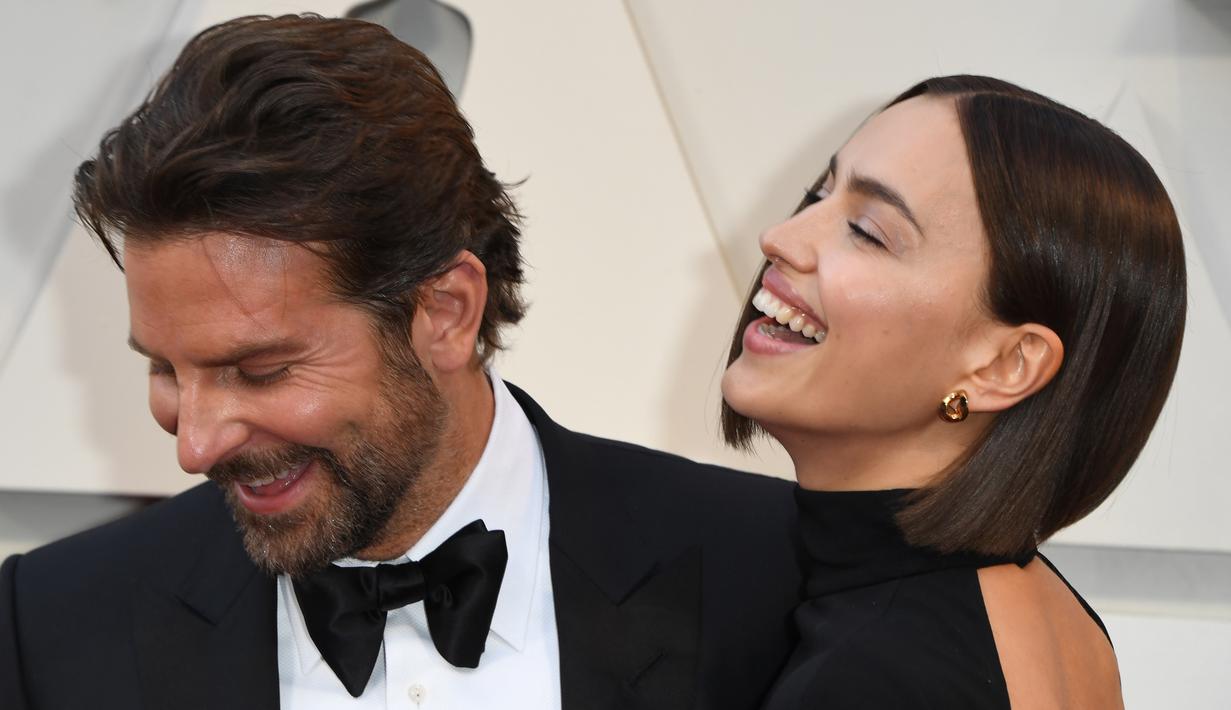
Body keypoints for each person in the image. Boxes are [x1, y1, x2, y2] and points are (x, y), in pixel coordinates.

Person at [0, 15, 801, 710]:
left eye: (261, 369)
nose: (195, 446)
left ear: (445, 314)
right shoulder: (54, 625)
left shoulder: (770, 573)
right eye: (168, 370)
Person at [720, 75, 1185, 709]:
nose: (781, 236)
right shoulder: (1054, 615)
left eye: (867, 230)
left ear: (1005, 365)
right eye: (817, 194)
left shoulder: (875, 676)